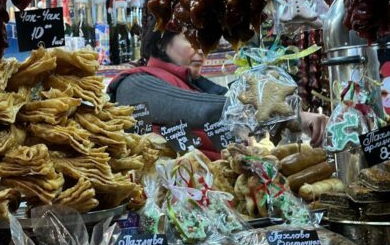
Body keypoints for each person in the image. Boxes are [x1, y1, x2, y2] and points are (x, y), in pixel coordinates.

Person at [108, 13, 327, 159]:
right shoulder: (134, 84)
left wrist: (296, 118)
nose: (201, 50)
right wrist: (291, 116)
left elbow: (231, 102)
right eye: (192, 41)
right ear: (160, 42)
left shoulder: (197, 85)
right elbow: (201, 109)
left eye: (204, 42)